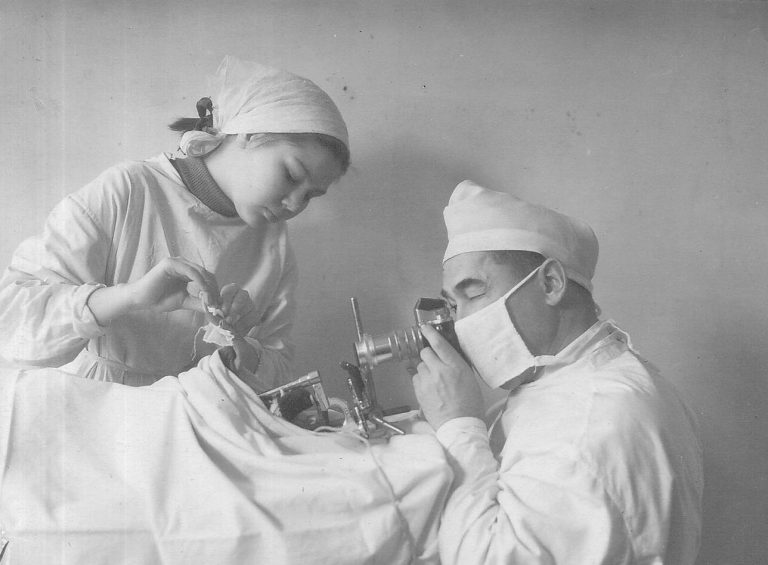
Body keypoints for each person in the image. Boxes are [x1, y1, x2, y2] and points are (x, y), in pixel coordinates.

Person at [0, 56, 350, 390]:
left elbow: (279, 366)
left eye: (310, 195)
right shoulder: (128, 190)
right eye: (292, 175)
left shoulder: (274, 243)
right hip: (98, 407)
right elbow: (12, 324)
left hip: (198, 414)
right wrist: (129, 297)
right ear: (250, 135)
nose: (294, 205)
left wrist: (238, 346)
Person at [412, 180, 703, 564]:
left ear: (551, 283)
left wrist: (459, 424)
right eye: (453, 305)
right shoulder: (588, 376)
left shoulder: (592, 420)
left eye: (475, 292)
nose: (461, 322)